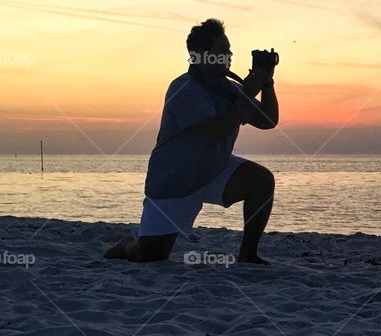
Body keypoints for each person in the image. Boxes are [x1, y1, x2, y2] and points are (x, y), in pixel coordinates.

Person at [104, 18, 279, 264]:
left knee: (262, 181)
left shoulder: (232, 88)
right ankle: (127, 246)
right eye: (221, 51)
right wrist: (248, 92)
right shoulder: (183, 89)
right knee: (151, 256)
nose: (228, 56)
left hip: (214, 170)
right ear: (201, 56)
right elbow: (217, 130)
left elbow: (268, 121)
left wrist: (267, 83)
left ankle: (248, 254)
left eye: (228, 51)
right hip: (174, 181)